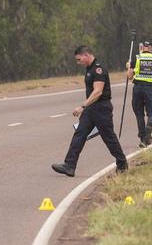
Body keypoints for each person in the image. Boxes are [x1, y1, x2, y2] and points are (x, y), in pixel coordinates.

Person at [52, 45, 128, 177]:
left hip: (101, 108)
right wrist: (86, 107)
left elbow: (98, 92)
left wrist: (82, 106)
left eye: (79, 59)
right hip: (91, 108)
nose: (78, 62)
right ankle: (69, 165)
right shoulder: (89, 69)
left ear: (86, 55)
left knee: (108, 137)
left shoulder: (98, 69)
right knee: (79, 134)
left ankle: (122, 164)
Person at [126, 38, 152, 147]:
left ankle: (142, 139)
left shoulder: (136, 58)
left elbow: (130, 76)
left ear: (143, 48)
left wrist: (128, 68)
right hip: (149, 88)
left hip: (137, 88)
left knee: (139, 113)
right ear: (150, 48)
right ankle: (148, 130)